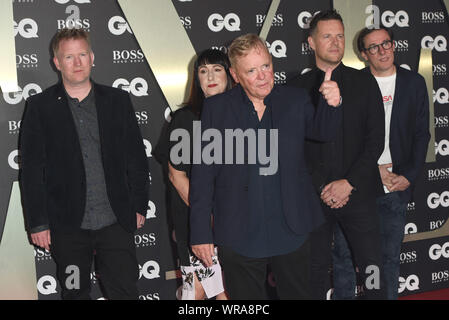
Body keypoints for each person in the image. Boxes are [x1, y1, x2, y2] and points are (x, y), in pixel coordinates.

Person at [189, 33, 342, 299]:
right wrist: (201, 231)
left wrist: (333, 103)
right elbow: (203, 175)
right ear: (235, 75)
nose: (263, 76)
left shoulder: (296, 99)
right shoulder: (217, 109)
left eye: (266, 66)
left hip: (291, 227)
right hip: (239, 231)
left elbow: (324, 132)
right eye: (251, 70)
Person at [20, 28, 149, 300]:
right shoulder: (40, 107)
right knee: (75, 292)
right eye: (69, 57)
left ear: (92, 57)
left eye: (82, 55)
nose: (77, 63)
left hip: (115, 222)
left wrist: (138, 205)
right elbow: (32, 171)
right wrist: (38, 223)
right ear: (57, 62)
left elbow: (135, 157)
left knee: (125, 292)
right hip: (67, 229)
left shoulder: (117, 101)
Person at [288, 9, 386, 299]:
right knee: (313, 270)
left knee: (372, 267)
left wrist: (348, 183)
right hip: (312, 197)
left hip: (359, 193)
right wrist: (321, 186)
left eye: (340, 36)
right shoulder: (296, 89)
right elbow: (293, 150)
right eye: (327, 36)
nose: (335, 42)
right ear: (311, 43)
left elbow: (375, 142)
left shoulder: (365, 82)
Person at [332, 26, 430, 300]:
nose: (382, 50)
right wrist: (368, 169)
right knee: (344, 256)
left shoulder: (414, 83)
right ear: (364, 54)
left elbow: (422, 134)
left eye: (386, 43)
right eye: (374, 47)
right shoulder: (353, 83)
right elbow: (343, 137)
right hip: (357, 183)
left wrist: (408, 176)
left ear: (394, 46)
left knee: (388, 259)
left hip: (395, 186)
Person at [166, 49, 233, 300]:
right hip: (198, 223)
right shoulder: (185, 119)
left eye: (217, 69)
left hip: (237, 223)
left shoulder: (241, 115)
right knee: (197, 291)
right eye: (203, 71)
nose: (210, 76)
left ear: (230, 74)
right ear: (196, 79)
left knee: (227, 290)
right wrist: (207, 217)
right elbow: (176, 175)